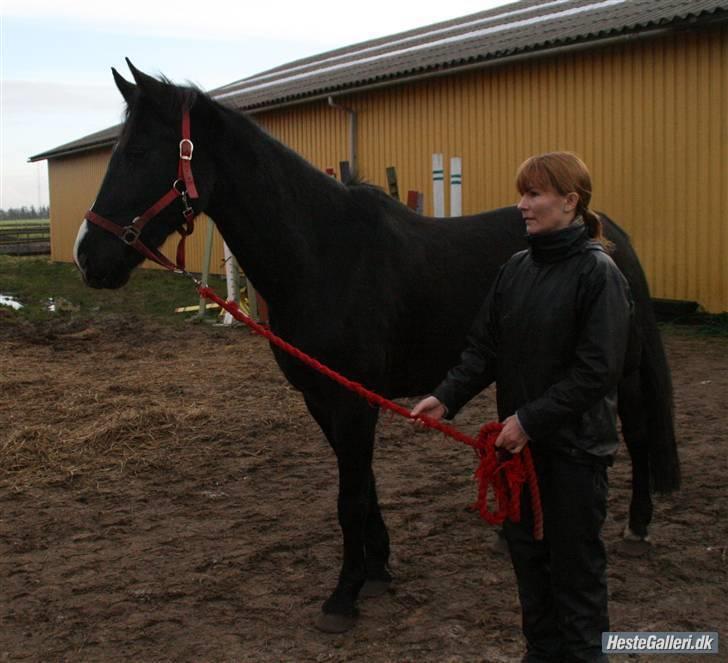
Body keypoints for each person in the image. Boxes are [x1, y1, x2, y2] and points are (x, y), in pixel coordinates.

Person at [412, 152, 633, 663]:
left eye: (534, 195)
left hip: (575, 455)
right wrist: (446, 397)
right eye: (523, 194)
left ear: (570, 201)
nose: (522, 205)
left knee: (576, 577)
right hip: (519, 456)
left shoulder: (598, 274)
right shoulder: (515, 269)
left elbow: (597, 371)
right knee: (530, 571)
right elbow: (484, 349)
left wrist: (530, 420)